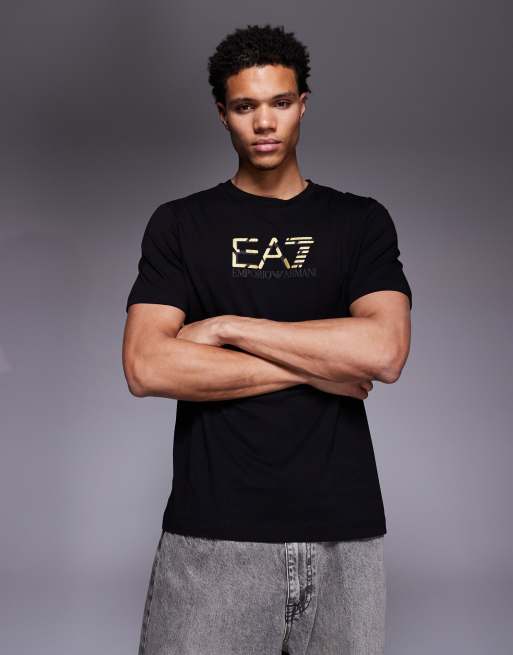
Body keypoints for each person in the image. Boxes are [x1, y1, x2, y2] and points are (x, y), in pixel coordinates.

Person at [122, 23, 412, 655]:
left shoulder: (358, 222)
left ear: (302, 104)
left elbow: (384, 352)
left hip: (344, 540)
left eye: (280, 102)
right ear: (221, 114)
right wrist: (322, 366)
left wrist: (228, 327)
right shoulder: (180, 224)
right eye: (244, 106)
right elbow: (146, 366)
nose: (264, 122)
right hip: (213, 538)